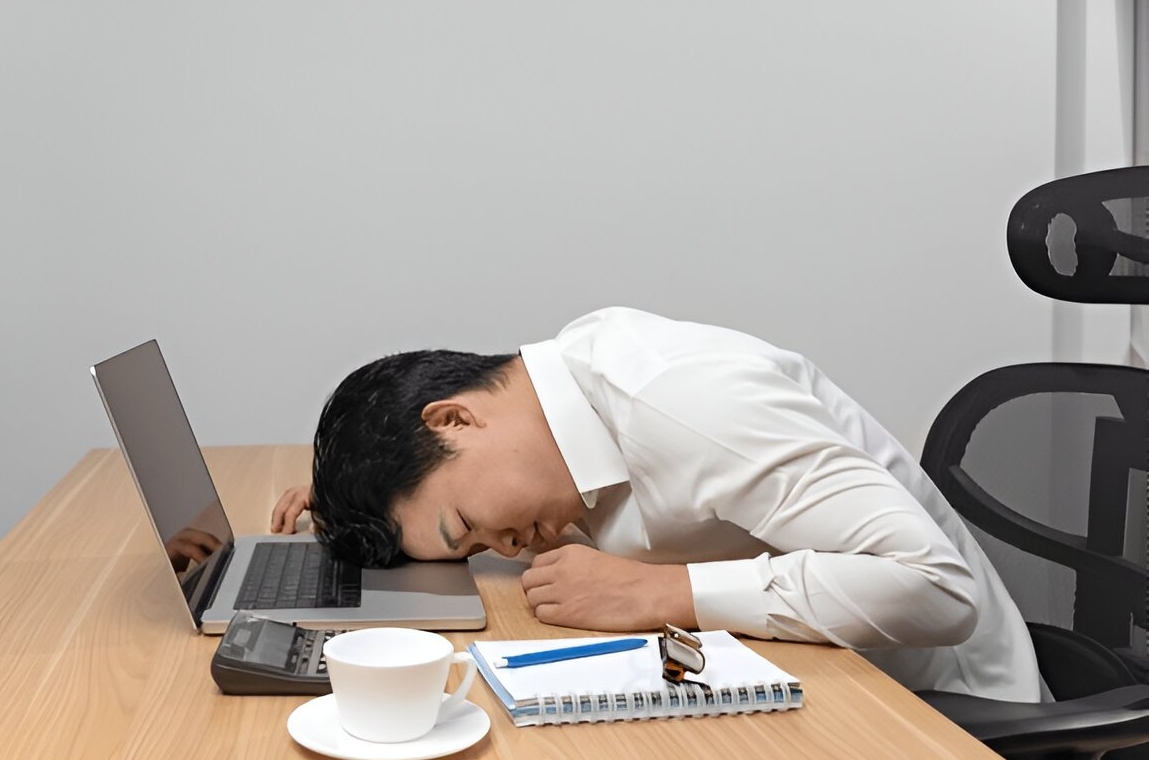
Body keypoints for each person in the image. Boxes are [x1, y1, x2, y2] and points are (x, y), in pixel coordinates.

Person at [272, 307, 1044, 702]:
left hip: (938, 709)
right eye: (476, 546)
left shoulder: (685, 403)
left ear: (451, 417)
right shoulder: (546, 407)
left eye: (470, 528)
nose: (507, 549)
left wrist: (665, 593)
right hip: (808, 674)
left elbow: (942, 593)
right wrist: (355, 493)